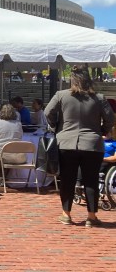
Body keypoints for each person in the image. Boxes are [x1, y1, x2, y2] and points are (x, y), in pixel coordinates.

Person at [45, 66, 114, 227]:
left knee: (67, 179)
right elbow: (110, 118)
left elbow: (48, 112)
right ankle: (91, 216)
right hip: (92, 143)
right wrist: (102, 130)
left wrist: (56, 127)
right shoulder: (99, 98)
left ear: (72, 80)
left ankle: (66, 214)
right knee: (91, 179)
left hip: (66, 142)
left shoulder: (61, 95)